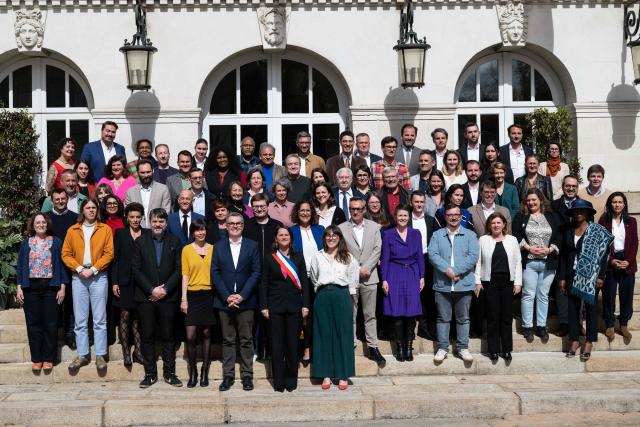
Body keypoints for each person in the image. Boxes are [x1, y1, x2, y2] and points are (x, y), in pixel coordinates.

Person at [61, 198, 114, 372]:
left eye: (94, 208)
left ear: (97, 210)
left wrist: (94, 269)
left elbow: (109, 254)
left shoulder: (104, 229)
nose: (91, 210)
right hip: (78, 277)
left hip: (98, 276)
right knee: (80, 318)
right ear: (82, 210)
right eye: (88, 207)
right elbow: (66, 254)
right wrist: (78, 268)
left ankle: (100, 354)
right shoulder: (73, 230)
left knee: (99, 318)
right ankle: (83, 354)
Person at [132, 208, 183, 388]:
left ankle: (170, 373)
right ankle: (150, 374)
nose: (158, 224)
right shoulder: (140, 242)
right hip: (146, 298)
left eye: (161, 221)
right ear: (149, 222)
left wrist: (166, 289)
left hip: (168, 298)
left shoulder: (175, 242)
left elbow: (179, 269)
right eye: (155, 221)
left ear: (166, 223)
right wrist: (151, 290)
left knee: (168, 336)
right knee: (147, 336)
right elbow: (136, 270)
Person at [212, 213, 261, 392]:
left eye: (238, 223)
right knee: (228, 340)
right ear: (225, 225)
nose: (234, 226)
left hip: (246, 302)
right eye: (231, 223)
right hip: (224, 302)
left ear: (243, 225)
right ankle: (228, 376)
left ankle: (247, 375)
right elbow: (215, 273)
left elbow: (256, 272)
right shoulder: (218, 246)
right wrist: (227, 296)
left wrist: (242, 295)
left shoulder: (252, 245)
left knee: (247, 340)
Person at [559, 200, 612, 361]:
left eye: (582, 210)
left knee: (591, 309)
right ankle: (574, 341)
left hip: (591, 276)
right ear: (573, 213)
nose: (579, 213)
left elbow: (604, 256)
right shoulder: (568, 230)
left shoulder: (596, 231)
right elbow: (563, 255)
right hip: (571, 273)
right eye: (576, 211)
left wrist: (601, 276)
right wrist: (562, 277)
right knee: (572, 309)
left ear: (588, 213)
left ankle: (589, 341)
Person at [260, 226, 310, 392]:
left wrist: (305, 305)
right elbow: (264, 284)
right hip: (274, 307)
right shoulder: (269, 258)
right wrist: (264, 306)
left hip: (295, 306)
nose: (283, 237)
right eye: (280, 234)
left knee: (292, 345)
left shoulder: (299, 257)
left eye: (286, 235)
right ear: (276, 238)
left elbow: (304, 282)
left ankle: (291, 380)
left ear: (291, 238)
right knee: (276, 345)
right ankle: (279, 382)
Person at [428, 204, 480, 363]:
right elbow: (432, 254)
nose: (453, 217)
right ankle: (442, 348)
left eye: (456, 214)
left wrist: (456, 271)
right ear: (445, 217)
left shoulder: (470, 235)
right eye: (450, 214)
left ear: (461, 216)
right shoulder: (437, 235)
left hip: (463, 284)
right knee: (443, 318)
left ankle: (462, 347)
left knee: (463, 318)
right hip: (442, 284)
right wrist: (447, 271)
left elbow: (473, 256)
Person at [16, 213, 68, 371]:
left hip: (51, 286)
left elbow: (62, 265)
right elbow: (20, 267)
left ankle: (48, 358)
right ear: (33, 225)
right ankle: (37, 358)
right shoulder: (26, 243)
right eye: (37, 222)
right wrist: (19, 287)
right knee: (33, 323)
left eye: (43, 222)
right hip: (31, 287)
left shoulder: (56, 242)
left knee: (51, 323)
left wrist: (63, 287)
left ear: (47, 224)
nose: (40, 225)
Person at [310, 226, 359, 390]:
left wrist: (350, 299)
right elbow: (314, 277)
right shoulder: (318, 256)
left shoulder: (348, 257)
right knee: (323, 334)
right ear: (324, 238)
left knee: (342, 334)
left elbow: (353, 279)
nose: (331, 238)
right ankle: (325, 374)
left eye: (334, 235)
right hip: (323, 296)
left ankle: (343, 374)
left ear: (340, 238)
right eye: (328, 236)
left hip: (342, 295)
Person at [338, 197, 385, 364]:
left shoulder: (374, 227)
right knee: (350, 313)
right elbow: (340, 251)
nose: (355, 211)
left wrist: (367, 268)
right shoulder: (342, 228)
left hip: (370, 276)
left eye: (358, 209)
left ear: (364, 209)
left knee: (370, 314)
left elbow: (377, 249)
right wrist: (356, 269)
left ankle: (372, 346)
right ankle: (349, 345)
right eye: (352, 209)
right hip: (350, 277)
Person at [512, 188, 560, 341]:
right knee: (528, 294)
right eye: (529, 200)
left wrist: (550, 249)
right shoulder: (521, 217)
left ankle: (541, 326)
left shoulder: (551, 216)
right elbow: (516, 236)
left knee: (543, 295)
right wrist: (529, 247)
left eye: (534, 199)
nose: (531, 202)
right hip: (529, 262)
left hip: (548, 262)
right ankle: (527, 327)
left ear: (540, 200)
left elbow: (559, 236)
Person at [474, 212, 522, 361]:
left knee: (506, 317)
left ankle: (507, 349)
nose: (496, 225)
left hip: (508, 282)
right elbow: (478, 262)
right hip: (490, 282)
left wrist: (518, 282)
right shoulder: (483, 240)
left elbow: (518, 262)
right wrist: (477, 281)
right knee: (493, 317)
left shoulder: (512, 240)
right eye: (493, 223)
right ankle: (493, 349)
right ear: (489, 225)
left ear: (503, 225)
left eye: (498, 223)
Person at [381, 205, 425, 362]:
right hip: (394, 273)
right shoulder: (388, 234)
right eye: (400, 215)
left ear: (409, 217)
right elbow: (385, 258)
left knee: (411, 313)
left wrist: (422, 275)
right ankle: (399, 348)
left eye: (405, 215)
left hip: (412, 273)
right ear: (395, 216)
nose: (403, 218)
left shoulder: (415, 233)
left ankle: (409, 347)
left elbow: (420, 255)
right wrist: (384, 279)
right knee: (397, 313)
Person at [180, 219, 216, 388]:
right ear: (192, 232)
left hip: (209, 294)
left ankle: (204, 371)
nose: (201, 233)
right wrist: (184, 299)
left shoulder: (214, 249)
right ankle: (193, 370)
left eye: (203, 229)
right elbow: (185, 275)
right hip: (192, 295)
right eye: (197, 230)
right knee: (190, 336)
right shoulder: (187, 250)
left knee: (207, 334)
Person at [599, 192, 638, 341]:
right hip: (611, 260)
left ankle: (623, 324)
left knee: (626, 294)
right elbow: (602, 244)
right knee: (608, 293)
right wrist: (611, 260)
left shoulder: (632, 221)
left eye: (620, 202)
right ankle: (609, 324)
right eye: (614, 202)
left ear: (624, 204)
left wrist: (628, 260)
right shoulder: (604, 220)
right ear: (610, 204)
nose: (617, 204)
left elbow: (635, 242)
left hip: (627, 261)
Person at [111, 202, 147, 367]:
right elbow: (116, 259)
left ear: (142, 218)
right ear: (126, 217)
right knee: (125, 315)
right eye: (131, 217)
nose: (134, 220)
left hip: (141, 281)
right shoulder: (120, 233)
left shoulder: (147, 233)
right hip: (124, 281)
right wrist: (115, 282)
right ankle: (126, 352)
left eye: (137, 217)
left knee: (138, 317)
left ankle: (138, 352)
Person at [290, 200, 324, 367]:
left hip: (317, 280)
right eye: (301, 210)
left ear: (312, 212)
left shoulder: (320, 230)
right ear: (297, 212)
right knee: (299, 315)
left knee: (313, 316)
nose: (305, 213)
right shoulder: (291, 231)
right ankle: (297, 348)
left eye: (308, 210)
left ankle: (310, 348)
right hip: (298, 280)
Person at [550, 175, 582, 336]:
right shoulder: (554, 205)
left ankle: (578, 322)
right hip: (559, 251)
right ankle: (564, 323)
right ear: (562, 187)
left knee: (579, 289)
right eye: (568, 186)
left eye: (574, 186)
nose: (571, 189)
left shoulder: (583, 205)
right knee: (561, 288)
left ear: (577, 188)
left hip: (577, 253)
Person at [408, 191, 436, 341]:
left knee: (426, 296)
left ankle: (424, 328)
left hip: (427, 260)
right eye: (416, 202)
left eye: (421, 202)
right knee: (412, 294)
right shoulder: (406, 219)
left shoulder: (431, 220)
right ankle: (410, 327)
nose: (419, 204)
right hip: (410, 261)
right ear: (411, 202)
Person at [124, 159, 172, 228]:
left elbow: (165, 212)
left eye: (148, 172)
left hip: (157, 230)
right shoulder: (130, 192)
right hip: (137, 231)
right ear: (137, 173)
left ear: (153, 171)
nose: (146, 175)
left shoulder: (163, 189)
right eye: (142, 172)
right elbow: (128, 214)